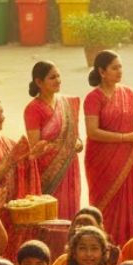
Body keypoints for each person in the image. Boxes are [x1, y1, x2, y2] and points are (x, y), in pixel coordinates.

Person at [84, 51, 133, 246]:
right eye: (114, 68)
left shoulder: (129, 94)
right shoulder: (93, 98)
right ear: (102, 72)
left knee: (131, 205)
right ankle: (103, 248)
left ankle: (130, 248)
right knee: (105, 208)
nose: (119, 71)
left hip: (129, 161)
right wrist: (126, 137)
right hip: (103, 163)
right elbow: (92, 132)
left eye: (120, 67)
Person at [24, 60, 83, 219]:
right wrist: (61, 147)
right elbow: (35, 147)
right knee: (52, 215)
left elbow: (76, 137)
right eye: (52, 77)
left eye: (58, 76)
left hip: (70, 168)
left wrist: (77, 143)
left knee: (71, 210)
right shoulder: (33, 109)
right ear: (39, 82)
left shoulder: (68, 103)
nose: (58, 80)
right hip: (49, 173)